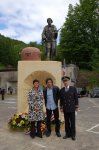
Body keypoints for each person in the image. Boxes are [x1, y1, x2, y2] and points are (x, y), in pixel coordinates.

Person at [60, 76, 79, 141]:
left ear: (69, 81)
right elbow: (61, 100)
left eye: (66, 81)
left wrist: (76, 107)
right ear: (63, 82)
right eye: (64, 81)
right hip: (65, 109)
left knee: (72, 122)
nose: (65, 82)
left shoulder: (73, 89)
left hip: (72, 108)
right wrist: (61, 108)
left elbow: (76, 98)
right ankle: (67, 134)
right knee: (67, 122)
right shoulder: (62, 90)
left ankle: (73, 135)